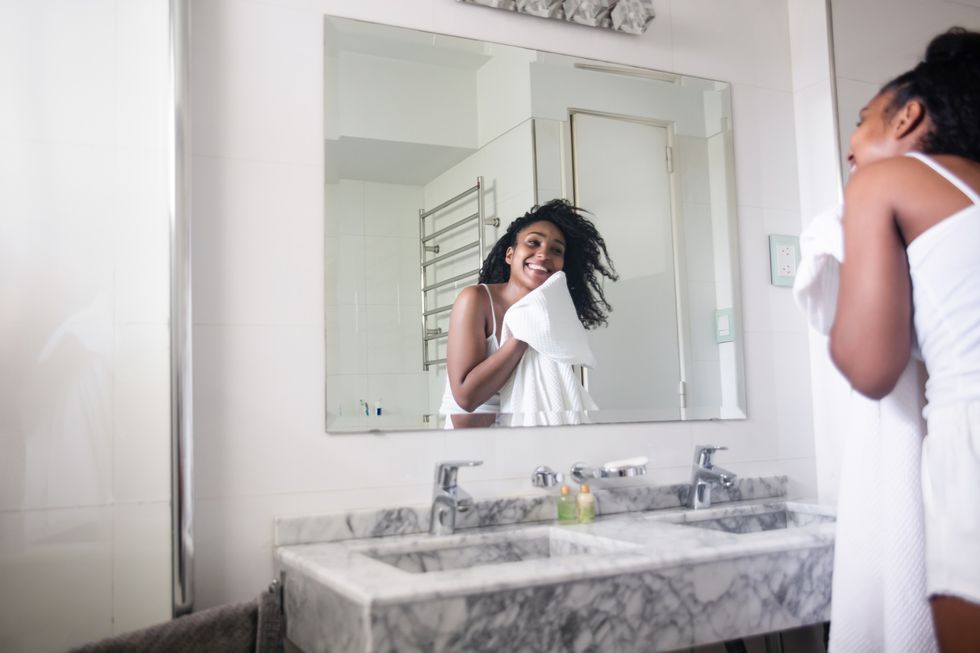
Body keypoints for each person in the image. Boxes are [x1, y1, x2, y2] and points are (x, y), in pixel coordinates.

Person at [830, 27, 980, 653]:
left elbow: (872, 367)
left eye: (862, 123)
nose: (850, 152)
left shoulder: (885, 184)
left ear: (909, 116)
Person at [440, 198, 617, 428]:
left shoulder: (552, 313)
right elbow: (466, 397)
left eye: (556, 250)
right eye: (533, 243)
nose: (544, 254)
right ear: (510, 255)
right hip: (470, 446)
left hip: (526, 439)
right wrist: (524, 335)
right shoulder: (476, 300)